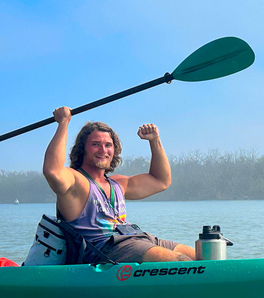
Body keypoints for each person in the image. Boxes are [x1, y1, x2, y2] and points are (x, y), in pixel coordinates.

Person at [43, 106, 196, 263]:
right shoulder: (76, 181)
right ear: (82, 149)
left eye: (108, 145)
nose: (103, 150)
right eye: (95, 144)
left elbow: (161, 181)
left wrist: (154, 140)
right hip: (104, 249)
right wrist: (64, 122)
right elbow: (53, 171)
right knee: (181, 262)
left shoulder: (118, 184)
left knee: (202, 256)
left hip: (138, 238)